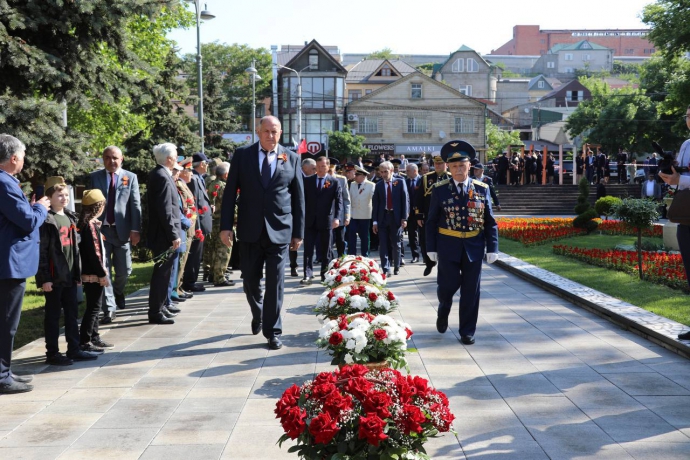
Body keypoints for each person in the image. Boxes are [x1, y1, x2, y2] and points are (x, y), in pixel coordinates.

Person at [219, 116, 305, 350]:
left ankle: (273, 330)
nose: (270, 136)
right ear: (258, 132)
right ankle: (258, 313)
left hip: (280, 230)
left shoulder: (292, 158)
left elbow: (298, 198)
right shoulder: (242, 156)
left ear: (280, 133)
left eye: (274, 132)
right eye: (266, 131)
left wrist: (298, 233)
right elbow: (229, 195)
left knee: (276, 283)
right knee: (250, 281)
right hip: (249, 229)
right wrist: (226, 226)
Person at [426, 140, 498, 345]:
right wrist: (430, 248)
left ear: (469, 166)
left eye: (462, 165)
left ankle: (467, 331)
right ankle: (444, 307)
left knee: (471, 291)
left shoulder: (482, 189)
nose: (459, 169)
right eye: (454, 166)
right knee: (447, 286)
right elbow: (431, 221)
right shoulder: (440, 190)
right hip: (448, 245)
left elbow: (490, 221)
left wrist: (493, 247)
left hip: (474, 246)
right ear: (448, 167)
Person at [0, 134, 50, 394]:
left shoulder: (7, 182)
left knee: (6, 321)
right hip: (8, 264)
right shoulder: (4, 182)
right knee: (7, 322)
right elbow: (28, 221)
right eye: (23, 157)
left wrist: (30, 209)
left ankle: (5, 371)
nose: (24, 161)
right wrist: (41, 208)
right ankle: (1, 376)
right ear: (14, 158)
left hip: (9, 262)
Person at [37, 177, 97, 366]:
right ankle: (52, 353)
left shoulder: (70, 217)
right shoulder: (47, 220)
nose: (64, 198)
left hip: (70, 275)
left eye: (65, 195)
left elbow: (75, 250)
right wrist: (45, 278)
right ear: (49, 197)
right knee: (53, 316)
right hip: (54, 278)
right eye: (59, 195)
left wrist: (77, 273)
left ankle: (74, 348)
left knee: (72, 313)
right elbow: (42, 252)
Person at [88, 146, 142, 323]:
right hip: (101, 231)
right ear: (103, 159)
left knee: (124, 271)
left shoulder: (130, 177)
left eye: (115, 158)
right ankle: (109, 309)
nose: (112, 161)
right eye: (107, 158)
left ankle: (118, 291)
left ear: (122, 159)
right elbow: (89, 205)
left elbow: (135, 205)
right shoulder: (94, 177)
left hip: (122, 232)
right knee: (105, 271)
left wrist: (135, 230)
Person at [660, 105, 690, 340]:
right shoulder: (686, 145)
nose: (688, 119)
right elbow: (680, 179)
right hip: (686, 215)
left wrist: (682, 179)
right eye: (687, 115)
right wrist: (671, 177)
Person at [147, 143, 183, 325]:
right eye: (176, 155)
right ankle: (155, 311)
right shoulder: (161, 176)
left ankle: (161, 307)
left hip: (164, 234)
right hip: (164, 235)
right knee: (162, 274)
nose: (177, 159)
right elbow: (165, 210)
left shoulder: (161, 174)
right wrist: (174, 234)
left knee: (165, 274)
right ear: (169, 159)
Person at [77, 190, 114, 354]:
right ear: (99, 207)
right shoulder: (89, 226)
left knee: (95, 306)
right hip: (93, 273)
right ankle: (85, 340)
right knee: (93, 307)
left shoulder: (89, 224)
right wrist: (102, 274)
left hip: (93, 272)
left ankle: (94, 336)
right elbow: (94, 252)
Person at [303, 156, 342, 283]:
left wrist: (337, 218)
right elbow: (302, 200)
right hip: (310, 220)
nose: (320, 169)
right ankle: (307, 274)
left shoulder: (334, 182)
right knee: (308, 248)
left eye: (323, 166)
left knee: (326, 249)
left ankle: (324, 274)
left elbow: (339, 202)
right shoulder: (308, 181)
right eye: (318, 167)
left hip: (326, 220)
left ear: (328, 167)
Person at [415, 152, 450, 276]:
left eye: (440, 163)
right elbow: (418, 198)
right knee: (425, 241)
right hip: (429, 216)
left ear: (446, 164)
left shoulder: (451, 178)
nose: (438, 166)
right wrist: (419, 215)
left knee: (444, 242)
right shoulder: (426, 178)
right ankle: (429, 264)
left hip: (445, 217)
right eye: (436, 163)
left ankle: (444, 265)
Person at [182, 152, 212, 292]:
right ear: (201, 164)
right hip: (196, 225)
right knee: (194, 255)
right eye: (206, 163)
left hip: (201, 224)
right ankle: (189, 282)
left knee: (197, 255)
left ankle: (191, 280)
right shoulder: (193, 179)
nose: (207, 166)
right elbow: (193, 205)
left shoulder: (199, 177)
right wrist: (198, 227)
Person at [372, 161, 409, 276]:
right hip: (383, 217)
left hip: (396, 217)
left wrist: (404, 218)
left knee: (396, 243)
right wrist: (375, 222)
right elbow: (376, 204)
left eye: (385, 172)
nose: (383, 174)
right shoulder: (378, 185)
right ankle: (386, 268)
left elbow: (405, 201)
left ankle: (396, 266)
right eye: (381, 172)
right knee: (383, 244)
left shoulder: (400, 182)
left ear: (392, 171)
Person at [207, 161, 234, 287]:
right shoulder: (223, 187)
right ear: (226, 175)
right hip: (223, 223)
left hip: (213, 221)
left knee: (215, 250)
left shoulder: (212, 184)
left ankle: (213, 273)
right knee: (224, 250)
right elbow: (229, 206)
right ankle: (220, 277)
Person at [175, 159, 196, 300]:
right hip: (185, 227)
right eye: (189, 171)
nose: (191, 174)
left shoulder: (183, 185)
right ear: (182, 171)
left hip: (189, 226)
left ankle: (179, 286)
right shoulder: (179, 185)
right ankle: (175, 288)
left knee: (184, 260)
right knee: (181, 260)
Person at [348, 166, 375, 257]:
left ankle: (365, 255)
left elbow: (374, 200)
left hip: (365, 215)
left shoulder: (371, 185)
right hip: (353, 215)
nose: (355, 176)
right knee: (351, 236)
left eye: (357, 175)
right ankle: (352, 254)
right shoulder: (352, 184)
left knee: (364, 236)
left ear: (363, 176)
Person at [328, 159, 350, 258]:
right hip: (326, 216)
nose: (329, 173)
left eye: (331, 171)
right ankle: (330, 262)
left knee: (340, 241)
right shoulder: (321, 178)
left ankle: (342, 260)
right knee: (328, 242)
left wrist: (347, 216)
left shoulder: (342, 179)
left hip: (339, 216)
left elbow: (346, 199)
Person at [405, 163, 421, 263]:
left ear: (414, 171)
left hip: (421, 212)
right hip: (410, 213)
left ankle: (426, 255)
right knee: (412, 235)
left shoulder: (422, 180)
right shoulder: (405, 182)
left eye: (407, 171)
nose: (406, 173)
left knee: (423, 235)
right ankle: (415, 255)